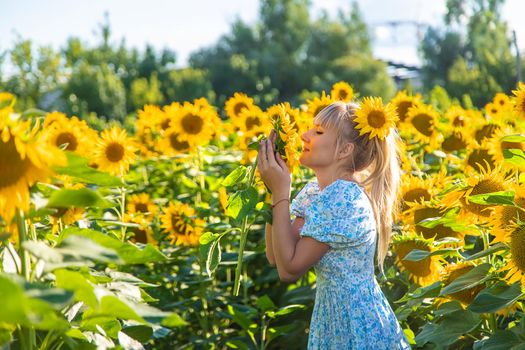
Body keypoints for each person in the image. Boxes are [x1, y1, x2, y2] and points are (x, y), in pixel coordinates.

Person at [257, 101, 412, 349]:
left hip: (355, 323)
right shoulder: (316, 192)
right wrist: (272, 190)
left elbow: (289, 269)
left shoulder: (344, 199)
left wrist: (280, 192)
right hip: (333, 319)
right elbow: (276, 256)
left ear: (344, 150)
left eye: (318, 132)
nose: (305, 136)